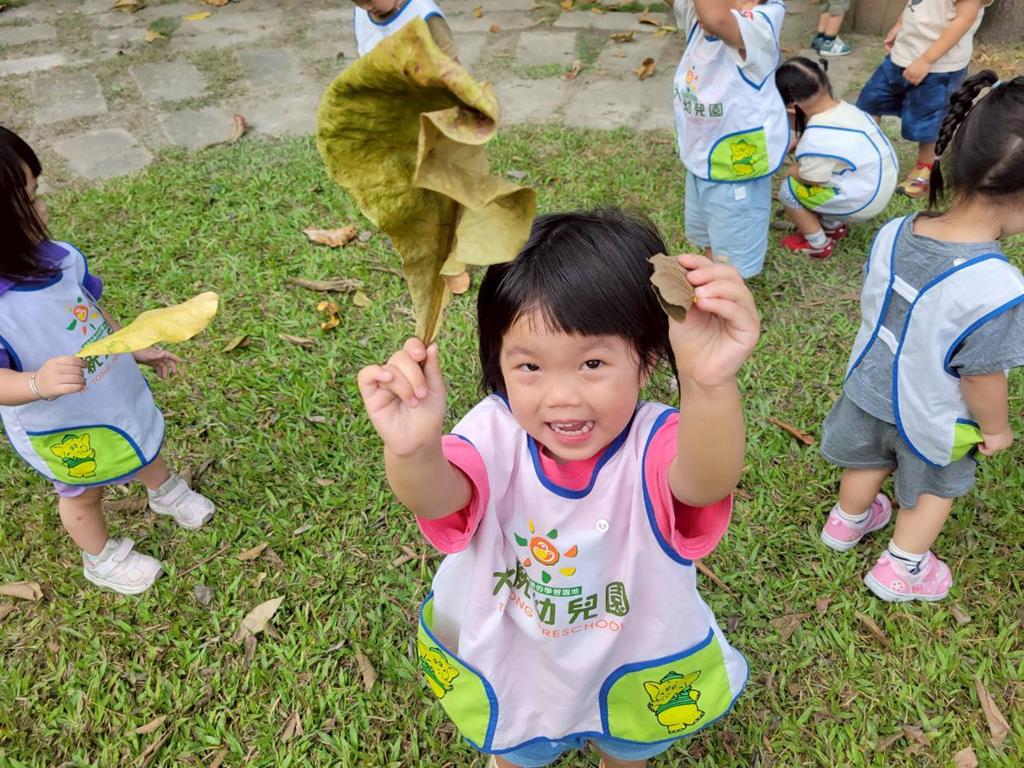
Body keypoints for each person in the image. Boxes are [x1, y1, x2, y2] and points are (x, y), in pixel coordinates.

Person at [357, 210, 759, 767]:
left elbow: (705, 482)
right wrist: (413, 450)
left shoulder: (656, 442)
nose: (562, 396)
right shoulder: (493, 433)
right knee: (516, 753)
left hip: (630, 657)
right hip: (518, 660)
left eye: (592, 362)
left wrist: (709, 384)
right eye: (530, 367)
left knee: (627, 747)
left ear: (645, 360)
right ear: (498, 363)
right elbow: (437, 498)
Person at [819, 72, 1024, 602]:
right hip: (933, 413)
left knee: (866, 458)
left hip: (867, 386)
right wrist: (996, 429)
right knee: (934, 486)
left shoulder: (896, 230)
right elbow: (980, 375)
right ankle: (902, 568)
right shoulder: (997, 287)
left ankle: (846, 522)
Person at [0, 127, 214, 595]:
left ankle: (164, 490)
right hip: (62, 421)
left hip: (109, 390)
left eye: (38, 191)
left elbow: (90, 310)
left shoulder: (60, 260)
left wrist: (131, 345)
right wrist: (36, 383)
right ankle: (99, 557)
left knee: (137, 434)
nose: (44, 208)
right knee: (82, 492)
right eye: (29, 201)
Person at [671, 0, 788, 280]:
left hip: (737, 170)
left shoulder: (760, 23)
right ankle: (711, 272)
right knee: (711, 233)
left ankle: (729, 293)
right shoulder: (699, 18)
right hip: (703, 157)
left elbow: (717, 18)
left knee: (732, 258)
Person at [855, 0, 992, 200]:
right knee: (870, 103)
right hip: (903, 54)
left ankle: (925, 170)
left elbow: (963, 21)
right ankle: (861, 154)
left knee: (930, 124)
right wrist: (899, 26)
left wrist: (927, 60)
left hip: (939, 68)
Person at [775, 56, 898, 259]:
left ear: (791, 106)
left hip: (861, 202)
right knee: (836, 172)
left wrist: (793, 170)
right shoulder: (847, 110)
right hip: (877, 184)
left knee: (789, 190)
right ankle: (833, 226)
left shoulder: (816, 136)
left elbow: (813, 178)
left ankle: (818, 244)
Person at [352, 0, 458, 60]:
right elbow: (362, 54)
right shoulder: (362, 14)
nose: (367, 8)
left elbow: (451, 63)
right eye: (358, 2)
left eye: (370, 0)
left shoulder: (423, 13)